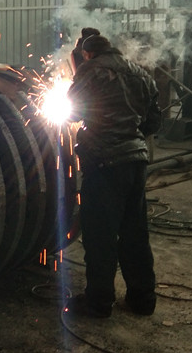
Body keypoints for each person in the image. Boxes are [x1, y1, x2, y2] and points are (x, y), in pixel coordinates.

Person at [65, 33, 162, 318]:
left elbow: (72, 111)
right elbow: (154, 121)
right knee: (135, 233)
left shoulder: (91, 70)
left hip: (104, 163)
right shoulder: (139, 73)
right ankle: (143, 300)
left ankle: (98, 303)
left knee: (100, 235)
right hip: (136, 162)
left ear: (87, 53)